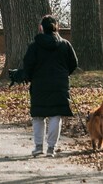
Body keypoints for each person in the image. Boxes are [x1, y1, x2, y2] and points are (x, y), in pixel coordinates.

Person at [23, 15, 79, 157]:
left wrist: (30, 78)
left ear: (41, 27)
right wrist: (65, 74)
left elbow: (27, 65)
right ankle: (51, 148)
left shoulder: (34, 46)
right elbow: (74, 63)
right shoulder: (65, 44)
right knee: (55, 115)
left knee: (38, 116)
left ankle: (38, 147)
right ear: (56, 27)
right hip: (59, 83)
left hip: (39, 84)